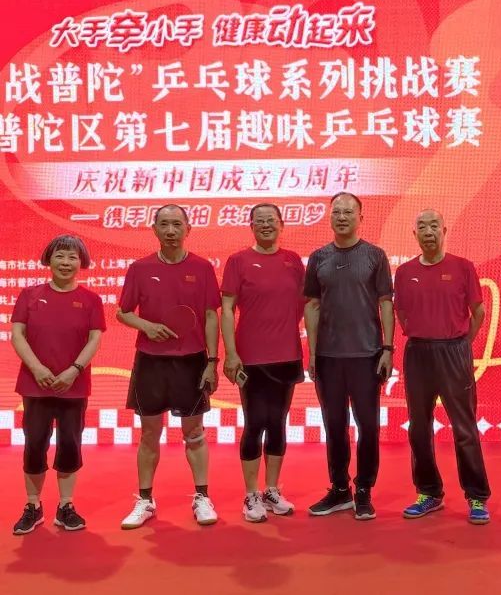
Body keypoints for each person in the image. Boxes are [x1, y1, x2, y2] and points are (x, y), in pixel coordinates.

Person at [117, 204, 221, 529]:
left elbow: (210, 316)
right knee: (149, 434)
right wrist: (146, 326)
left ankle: (202, 497)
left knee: (194, 433)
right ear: (155, 230)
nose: (171, 231)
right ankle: (145, 500)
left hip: (191, 361)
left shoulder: (202, 268)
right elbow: (123, 312)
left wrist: (213, 361)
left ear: (188, 229)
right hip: (150, 361)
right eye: (164, 224)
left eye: (177, 224)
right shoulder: (140, 268)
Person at [394, 209, 491, 525]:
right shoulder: (405, 272)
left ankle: (476, 497)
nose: (428, 231)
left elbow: (478, 311)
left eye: (434, 225)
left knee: (464, 428)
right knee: (418, 427)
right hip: (418, 354)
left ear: (444, 230)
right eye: (421, 226)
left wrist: (461, 342)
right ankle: (429, 492)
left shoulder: (463, 267)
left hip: (454, 352)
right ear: (415, 235)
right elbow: (402, 314)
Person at [304, 192, 394, 521]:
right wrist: (312, 352)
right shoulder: (319, 258)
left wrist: (387, 349)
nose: (342, 217)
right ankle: (340, 489)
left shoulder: (375, 255)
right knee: (334, 425)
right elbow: (312, 305)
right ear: (330, 217)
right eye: (336, 212)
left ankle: (364, 490)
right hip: (328, 357)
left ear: (360, 217)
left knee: (367, 426)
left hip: (366, 355)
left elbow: (386, 303)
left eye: (348, 212)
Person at [10, 236, 105, 535]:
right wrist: (37, 368)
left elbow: (95, 339)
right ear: (49, 260)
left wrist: (74, 370)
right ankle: (33, 505)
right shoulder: (29, 295)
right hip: (35, 384)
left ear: (82, 262)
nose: (66, 263)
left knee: (70, 443)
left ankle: (66, 506)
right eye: (60, 256)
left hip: (73, 386)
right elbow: (17, 334)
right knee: (34, 443)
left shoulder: (91, 300)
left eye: (73, 257)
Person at [222, 203, 305, 523]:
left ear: (282, 224)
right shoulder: (238, 261)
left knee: (278, 422)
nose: (266, 225)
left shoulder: (293, 261)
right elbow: (226, 309)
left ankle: (271, 489)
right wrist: (231, 353)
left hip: (287, 355)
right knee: (255, 421)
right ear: (251, 226)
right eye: (260, 221)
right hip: (251, 358)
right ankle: (251, 494)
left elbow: (303, 306)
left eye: (272, 220)